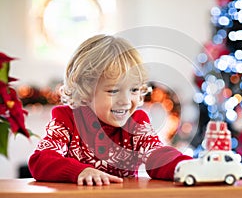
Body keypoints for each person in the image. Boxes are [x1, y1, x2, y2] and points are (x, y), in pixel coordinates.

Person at [28, 34, 192, 186]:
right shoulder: (67, 120)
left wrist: (188, 166)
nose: (126, 102)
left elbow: (158, 155)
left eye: (134, 90)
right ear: (85, 92)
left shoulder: (135, 124)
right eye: (113, 91)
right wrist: (79, 171)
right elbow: (41, 160)